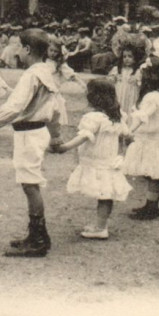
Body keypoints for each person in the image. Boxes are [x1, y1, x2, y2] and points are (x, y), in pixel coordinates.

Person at [0, 29, 62, 258]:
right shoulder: (46, 72)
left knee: (30, 184)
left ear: (26, 49)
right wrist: (55, 135)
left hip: (29, 133)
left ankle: (37, 239)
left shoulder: (31, 75)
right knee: (30, 183)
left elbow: (15, 107)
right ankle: (38, 234)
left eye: (18, 46)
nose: (16, 51)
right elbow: (56, 108)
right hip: (36, 132)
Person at [53, 78, 131, 239]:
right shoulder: (116, 116)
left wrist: (65, 147)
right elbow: (127, 135)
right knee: (106, 194)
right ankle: (101, 224)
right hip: (108, 161)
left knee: (103, 194)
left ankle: (101, 228)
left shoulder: (93, 117)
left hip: (97, 162)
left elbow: (84, 136)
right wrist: (120, 153)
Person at [123, 59, 159, 220]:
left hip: (151, 140)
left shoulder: (151, 97)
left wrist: (130, 131)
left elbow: (143, 116)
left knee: (153, 174)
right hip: (156, 139)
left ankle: (152, 207)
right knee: (153, 174)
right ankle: (151, 204)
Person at [45, 39, 86, 127]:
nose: (52, 53)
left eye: (55, 51)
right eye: (51, 50)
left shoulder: (60, 65)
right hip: (44, 90)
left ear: (59, 53)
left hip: (53, 91)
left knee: (54, 113)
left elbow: (71, 75)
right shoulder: (44, 62)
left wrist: (82, 84)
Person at [108, 45, 144, 122]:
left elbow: (141, 84)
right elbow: (109, 81)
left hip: (131, 96)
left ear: (135, 58)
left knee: (130, 110)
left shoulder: (138, 71)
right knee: (119, 108)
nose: (126, 59)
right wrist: (113, 78)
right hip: (119, 94)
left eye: (130, 56)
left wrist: (137, 80)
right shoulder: (117, 70)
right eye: (124, 57)